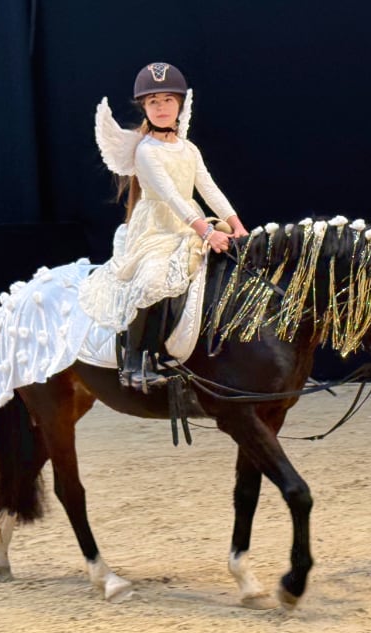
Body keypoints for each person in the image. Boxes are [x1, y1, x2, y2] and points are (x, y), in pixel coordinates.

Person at [78, 62, 247, 389]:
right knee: (155, 279)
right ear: (144, 107)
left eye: (168, 100)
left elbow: (208, 188)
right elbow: (170, 196)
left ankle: (180, 350)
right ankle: (137, 359)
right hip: (156, 228)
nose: (162, 107)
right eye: (154, 101)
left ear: (180, 104)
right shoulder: (146, 151)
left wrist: (234, 224)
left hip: (188, 224)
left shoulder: (189, 149)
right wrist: (208, 232)